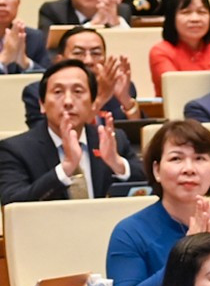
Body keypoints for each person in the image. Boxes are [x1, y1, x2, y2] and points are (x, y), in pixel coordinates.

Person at [105, 120, 210, 286]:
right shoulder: (129, 232)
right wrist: (185, 256)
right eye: (176, 158)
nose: (189, 169)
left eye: (200, 158)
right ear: (157, 170)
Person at [0, 59, 138, 204]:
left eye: (78, 91)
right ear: (42, 105)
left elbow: (149, 186)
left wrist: (116, 163)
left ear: (93, 103)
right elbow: (12, 203)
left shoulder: (113, 140)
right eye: (58, 92)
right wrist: (65, 168)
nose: (68, 101)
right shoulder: (14, 150)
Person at [147, 0, 210, 90]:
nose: (195, 19)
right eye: (186, 12)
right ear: (172, 18)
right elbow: (177, 90)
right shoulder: (161, 52)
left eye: (201, 12)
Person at [0, 0, 52, 75]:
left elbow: (50, 81)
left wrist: (25, 62)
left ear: (18, 2)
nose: (1, 1)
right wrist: (4, 58)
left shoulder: (33, 38)